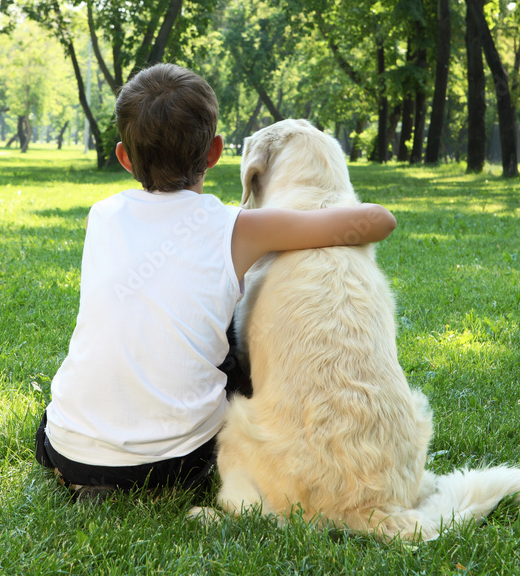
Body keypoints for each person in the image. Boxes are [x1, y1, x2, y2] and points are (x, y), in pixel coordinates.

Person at [34, 63, 396, 500]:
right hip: (177, 465)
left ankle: (96, 472)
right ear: (214, 152)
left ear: (124, 157)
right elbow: (378, 221)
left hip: (68, 451)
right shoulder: (236, 228)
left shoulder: (101, 215)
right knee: (234, 339)